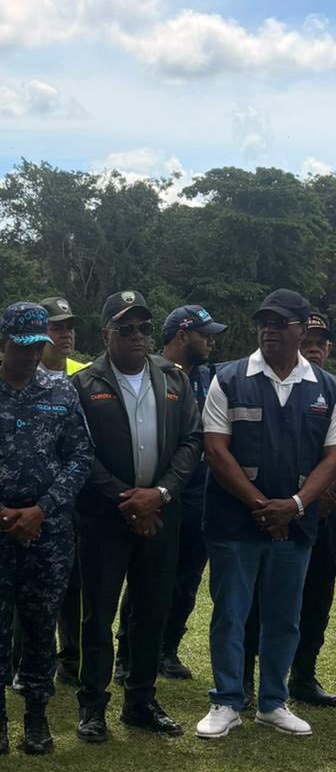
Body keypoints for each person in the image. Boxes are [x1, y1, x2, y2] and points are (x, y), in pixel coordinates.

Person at [0, 303, 93, 755]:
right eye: (20, 346)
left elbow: (81, 457)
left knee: (40, 623)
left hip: (48, 535)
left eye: (37, 346)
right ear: (1, 342)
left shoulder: (61, 392)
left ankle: (36, 715)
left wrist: (42, 510)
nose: (29, 355)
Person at [196, 289, 336, 739]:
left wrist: (294, 506)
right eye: (264, 322)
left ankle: (273, 703)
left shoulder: (326, 387)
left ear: (301, 329)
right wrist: (262, 506)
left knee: (284, 615)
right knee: (231, 612)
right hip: (236, 523)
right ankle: (226, 700)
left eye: (280, 323)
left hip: (294, 527)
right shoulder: (229, 378)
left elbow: (332, 458)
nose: (269, 330)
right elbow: (215, 450)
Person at [72, 290, 202, 743]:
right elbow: (79, 453)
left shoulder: (174, 379)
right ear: (105, 333)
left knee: (151, 610)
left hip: (162, 517)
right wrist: (129, 500)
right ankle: (92, 706)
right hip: (106, 520)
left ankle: (140, 701)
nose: (137, 336)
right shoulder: (84, 384)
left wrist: (159, 495)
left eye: (144, 328)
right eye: (125, 329)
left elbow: (191, 442)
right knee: (99, 616)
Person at [116, 304, 226, 681]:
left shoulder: (210, 379)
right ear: (182, 334)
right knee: (145, 579)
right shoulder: (149, 373)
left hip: (199, 494)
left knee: (187, 578)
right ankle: (126, 654)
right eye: (204, 334)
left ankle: (167, 649)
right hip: (153, 496)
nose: (210, 341)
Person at [13, 294, 87, 691]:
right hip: (23, 508)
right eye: (57, 327)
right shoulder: (18, 375)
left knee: (71, 588)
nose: (65, 334)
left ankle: (71, 662)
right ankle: (19, 664)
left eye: (69, 326)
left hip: (70, 505)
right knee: (23, 595)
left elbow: (83, 448)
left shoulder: (83, 376)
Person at [287, 311, 336, 705]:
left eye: (320, 342)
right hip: (286, 509)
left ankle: (303, 676)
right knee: (269, 596)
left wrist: (325, 496)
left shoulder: (333, 390)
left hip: (327, 513)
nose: (314, 348)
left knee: (318, 596)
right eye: (308, 342)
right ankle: (251, 680)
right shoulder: (280, 388)